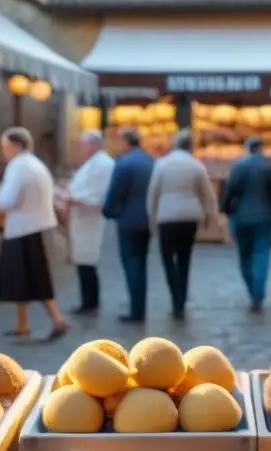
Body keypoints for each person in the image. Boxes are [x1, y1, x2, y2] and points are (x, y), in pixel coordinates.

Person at [0, 128, 67, 341]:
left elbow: (8, 200)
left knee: (36, 279)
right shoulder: (34, 164)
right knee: (24, 280)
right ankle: (23, 324)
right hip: (33, 226)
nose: (3, 152)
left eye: (5, 147)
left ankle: (58, 319)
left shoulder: (18, 166)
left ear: (15, 146)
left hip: (24, 229)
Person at [147, 130, 218, 320]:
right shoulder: (196, 165)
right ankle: (182, 300)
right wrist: (212, 216)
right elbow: (207, 194)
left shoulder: (162, 164)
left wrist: (152, 219)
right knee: (185, 259)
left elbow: (153, 193)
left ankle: (175, 297)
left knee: (168, 260)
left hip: (167, 217)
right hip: (189, 217)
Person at [221, 137, 271, 311]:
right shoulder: (270, 166)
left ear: (247, 148)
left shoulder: (239, 166)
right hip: (264, 217)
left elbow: (230, 191)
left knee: (244, 257)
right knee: (262, 255)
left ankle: (252, 290)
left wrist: (226, 211)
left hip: (242, 217)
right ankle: (258, 293)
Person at [103, 128, 155, 323]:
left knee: (131, 263)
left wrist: (109, 212)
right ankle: (139, 306)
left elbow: (115, 192)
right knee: (141, 263)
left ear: (126, 142)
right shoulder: (150, 161)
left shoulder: (124, 163)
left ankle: (136, 310)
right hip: (146, 219)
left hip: (128, 220)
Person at [67, 130, 115, 314]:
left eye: (84, 145)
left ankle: (90, 301)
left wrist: (77, 198)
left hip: (90, 216)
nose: (81, 149)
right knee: (82, 259)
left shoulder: (103, 164)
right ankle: (87, 299)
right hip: (81, 216)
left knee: (87, 259)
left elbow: (98, 192)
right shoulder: (91, 163)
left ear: (93, 144)